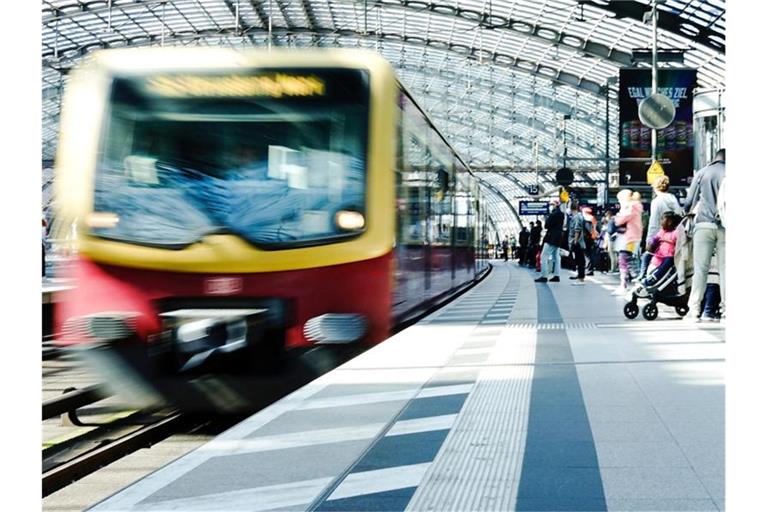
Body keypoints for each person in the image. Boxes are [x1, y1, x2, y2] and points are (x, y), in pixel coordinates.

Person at [682, 148, 726, 321]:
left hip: (703, 225)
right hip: (725, 227)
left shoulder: (702, 173)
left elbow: (688, 203)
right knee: (726, 270)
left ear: (714, 158)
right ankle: (726, 311)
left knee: (700, 270)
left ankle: (694, 310)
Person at [639, 175, 683, 278]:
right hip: (673, 237)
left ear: (655, 187)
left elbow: (654, 222)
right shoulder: (673, 199)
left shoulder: (656, 201)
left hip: (660, 236)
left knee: (652, 258)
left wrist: (649, 240)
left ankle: (644, 276)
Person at [612, 189, 643, 295]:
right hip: (631, 238)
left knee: (627, 261)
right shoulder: (635, 206)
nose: (619, 202)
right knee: (627, 260)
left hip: (629, 238)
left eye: (620, 200)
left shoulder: (631, 207)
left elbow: (619, 220)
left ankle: (634, 285)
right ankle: (628, 284)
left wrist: (618, 215)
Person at [640, 212, 681, 287]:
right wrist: (652, 242)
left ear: (669, 222)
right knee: (646, 255)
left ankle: (652, 279)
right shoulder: (662, 231)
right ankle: (643, 275)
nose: (660, 222)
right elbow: (655, 239)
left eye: (662, 219)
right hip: (658, 255)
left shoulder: (675, 233)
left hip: (668, 256)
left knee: (668, 261)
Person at [535, 199, 565, 283]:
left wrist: (547, 218)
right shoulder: (562, 214)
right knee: (556, 257)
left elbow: (546, 225)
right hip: (558, 238)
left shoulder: (553, 214)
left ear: (556, 204)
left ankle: (544, 276)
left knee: (543, 256)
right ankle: (556, 275)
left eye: (552, 204)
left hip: (551, 237)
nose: (550, 205)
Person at [568, 201, 586, 284]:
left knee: (580, 260)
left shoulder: (576, 217)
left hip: (577, 242)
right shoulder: (578, 216)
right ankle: (580, 276)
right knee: (579, 260)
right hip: (578, 242)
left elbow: (577, 230)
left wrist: (575, 241)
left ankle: (581, 278)